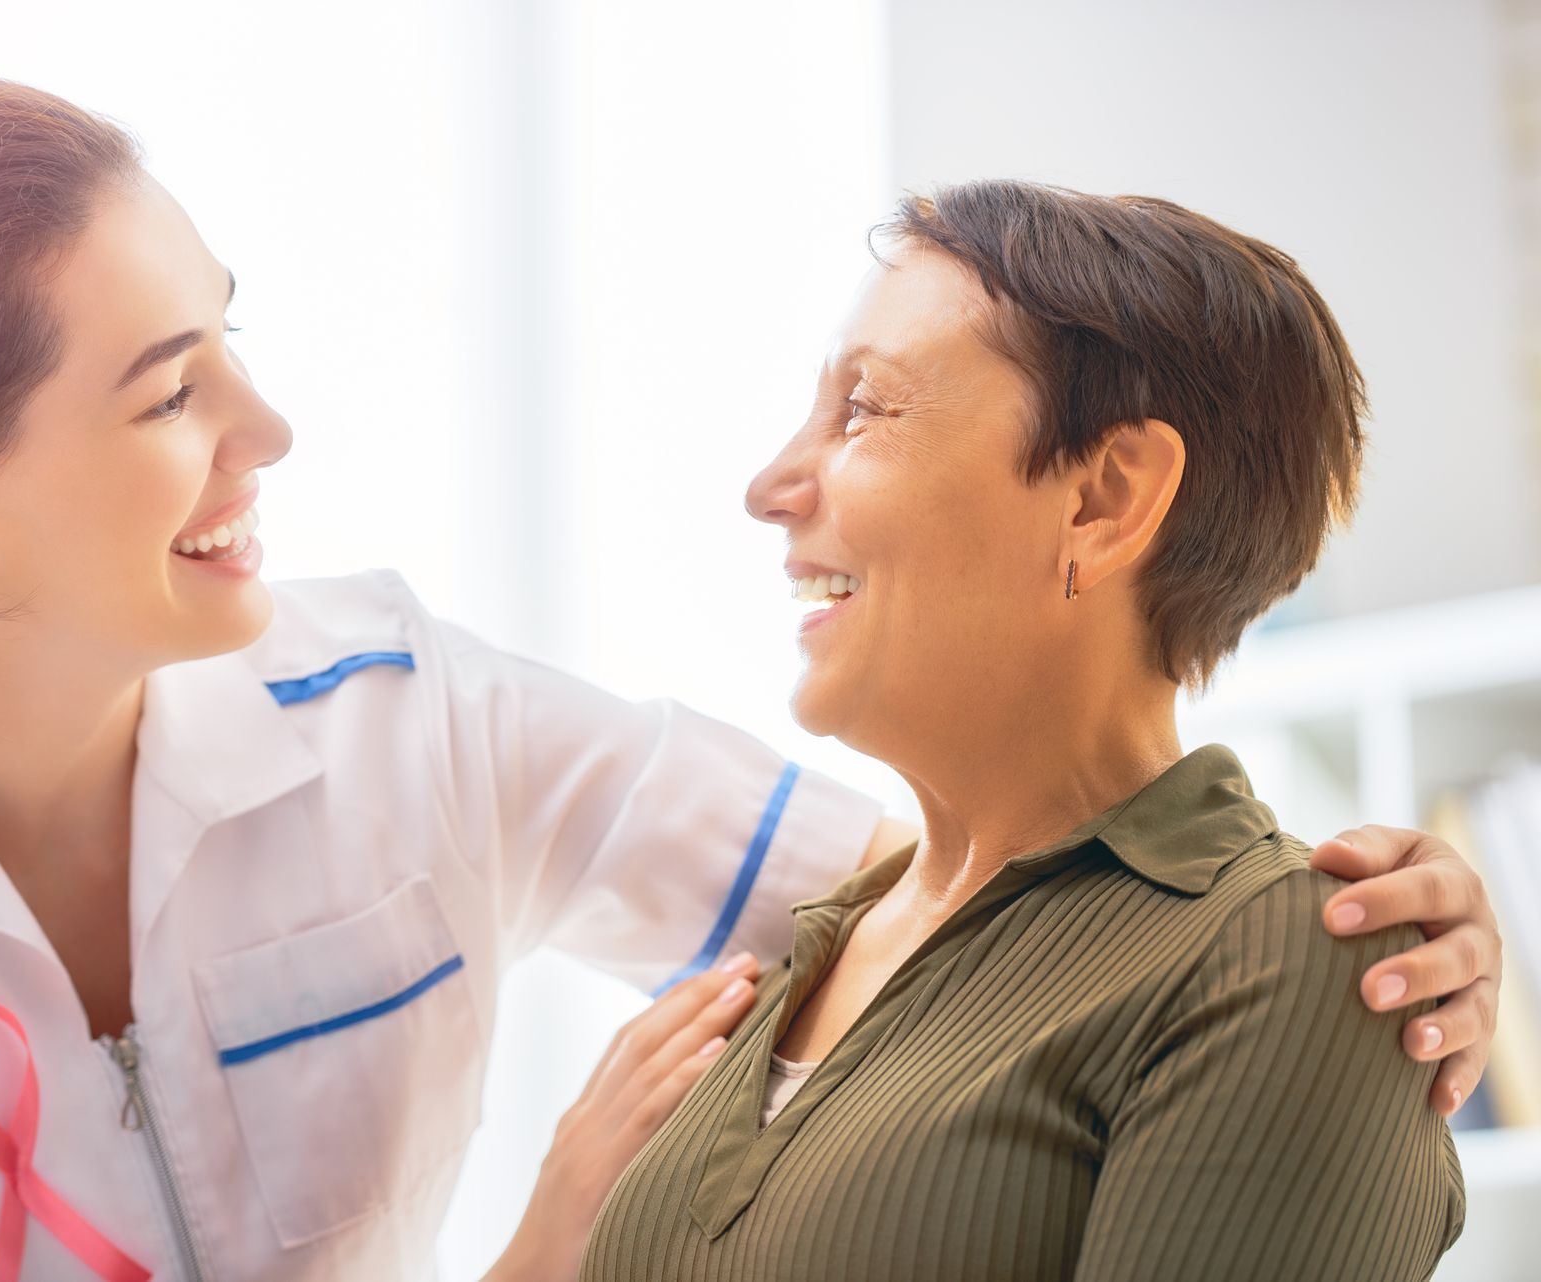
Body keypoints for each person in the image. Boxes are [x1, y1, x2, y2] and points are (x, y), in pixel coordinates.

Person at [0, 74, 1498, 1282]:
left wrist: (1360, 927)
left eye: (232, 337)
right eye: (169, 387)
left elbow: (1011, 886)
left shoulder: (404, 712)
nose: (269, 425)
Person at [580, 181, 1475, 1282]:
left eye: (863, 408)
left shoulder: (1283, 960)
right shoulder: (803, 949)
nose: (769, 487)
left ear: (1103, 498)